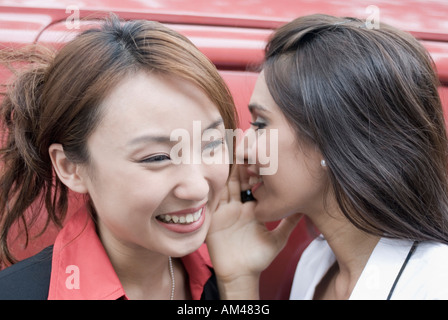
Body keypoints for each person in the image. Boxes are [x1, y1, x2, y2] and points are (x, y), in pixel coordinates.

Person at [206, 14, 448, 299]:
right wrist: (239, 282)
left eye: (260, 124)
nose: (242, 150)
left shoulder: (434, 282)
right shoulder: (316, 263)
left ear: (334, 140)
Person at [0, 15, 237, 300]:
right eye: (158, 157)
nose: (198, 187)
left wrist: (240, 283)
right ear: (71, 168)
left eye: (212, 144)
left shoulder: (227, 271)